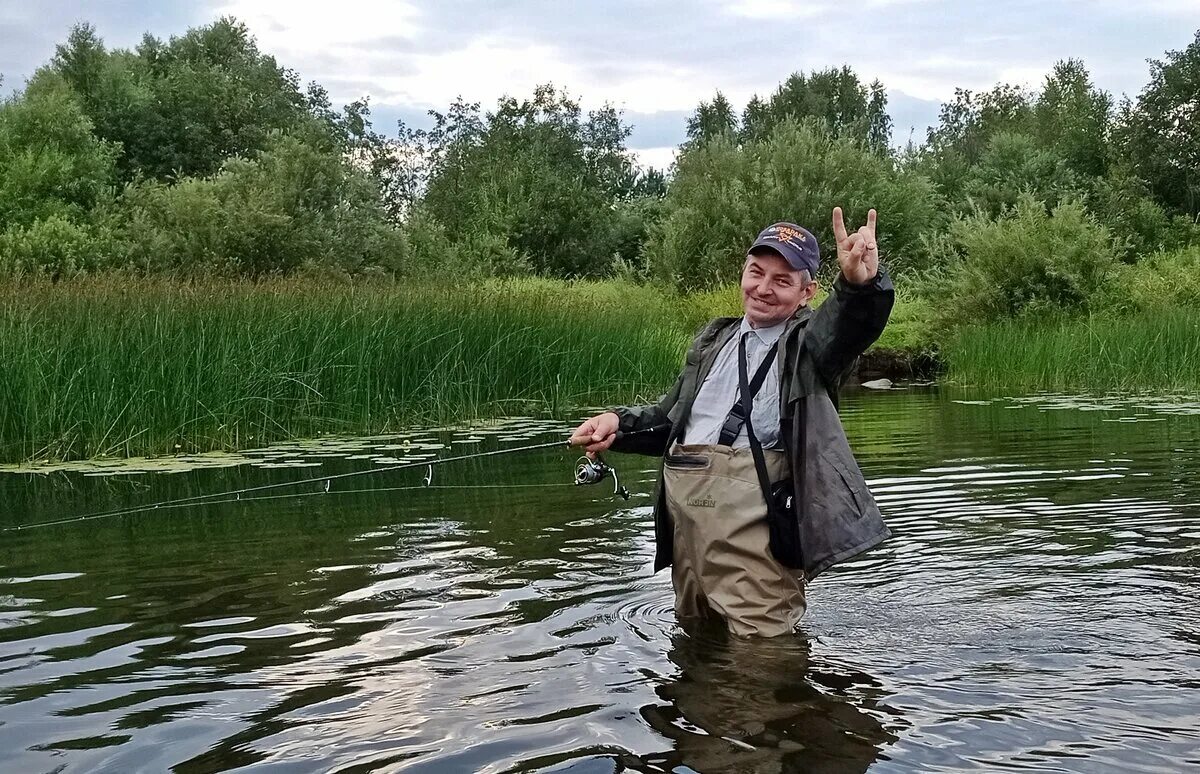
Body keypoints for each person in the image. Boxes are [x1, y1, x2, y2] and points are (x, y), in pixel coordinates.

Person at [569, 208, 894, 637]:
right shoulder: (712, 340)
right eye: (756, 272)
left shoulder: (808, 347)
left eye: (782, 281)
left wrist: (859, 286)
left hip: (756, 525)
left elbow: (847, 328)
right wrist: (618, 424)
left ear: (806, 292)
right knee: (695, 639)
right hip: (687, 528)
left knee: (763, 657)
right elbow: (671, 420)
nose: (763, 288)